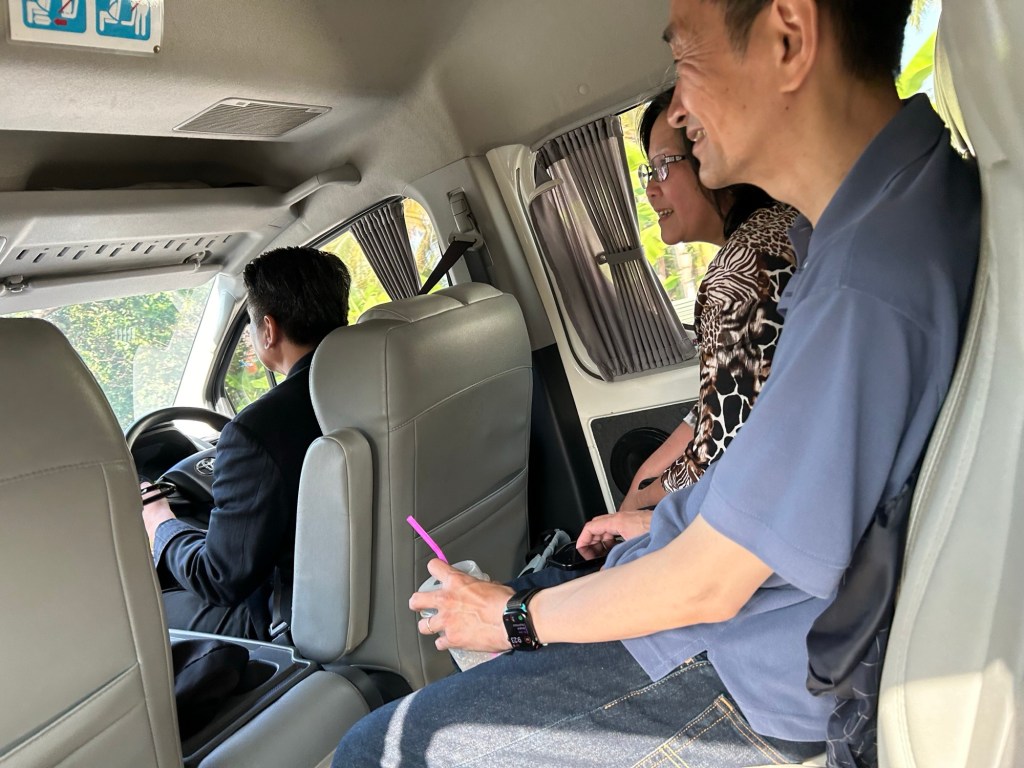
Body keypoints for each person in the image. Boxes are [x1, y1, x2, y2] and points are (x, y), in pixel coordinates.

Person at [333, 0, 981, 764]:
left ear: (789, 36)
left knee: (379, 747)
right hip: (744, 612)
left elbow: (711, 584)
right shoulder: (882, 216)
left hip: (742, 668)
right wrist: (663, 525)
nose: (677, 108)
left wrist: (513, 618)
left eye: (684, 60)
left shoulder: (867, 283)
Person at [601, 89, 798, 546]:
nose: (650, 189)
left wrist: (641, 506)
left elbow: (718, 448)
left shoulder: (738, 274)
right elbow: (715, 405)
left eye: (663, 166)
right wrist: (642, 482)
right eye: (649, 172)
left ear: (714, 158)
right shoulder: (784, 223)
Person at [141, 246, 351, 640]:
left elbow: (219, 579)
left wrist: (161, 524)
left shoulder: (257, 432)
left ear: (268, 330)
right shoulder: (380, 382)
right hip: (367, 582)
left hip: (297, 618)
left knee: (145, 614)